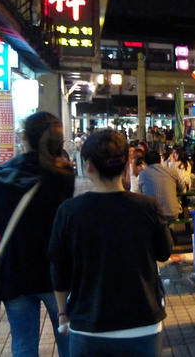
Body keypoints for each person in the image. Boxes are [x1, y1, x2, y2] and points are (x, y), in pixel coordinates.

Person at [49, 130, 173, 357]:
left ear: (88, 167)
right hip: (143, 322)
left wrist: (63, 314)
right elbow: (164, 252)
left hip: (87, 324)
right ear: (126, 165)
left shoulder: (69, 211)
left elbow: (58, 268)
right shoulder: (148, 206)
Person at [0, 112, 74, 357]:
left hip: (15, 270)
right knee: (68, 340)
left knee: (23, 343)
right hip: (55, 271)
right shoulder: (64, 176)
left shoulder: (0, 175)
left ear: (23, 137)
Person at [138, 151, 186, 222]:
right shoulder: (172, 171)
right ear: (160, 160)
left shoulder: (142, 174)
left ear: (145, 163)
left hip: (152, 215)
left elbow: (141, 192)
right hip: (172, 213)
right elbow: (183, 190)